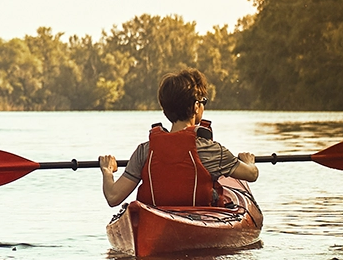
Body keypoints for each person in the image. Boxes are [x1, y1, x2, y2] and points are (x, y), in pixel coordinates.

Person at [98, 69, 258, 208]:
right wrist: (249, 161)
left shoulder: (144, 151)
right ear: (196, 106)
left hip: (156, 220)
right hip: (199, 220)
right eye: (203, 102)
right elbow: (252, 175)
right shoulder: (210, 150)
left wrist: (107, 171)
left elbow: (113, 197)